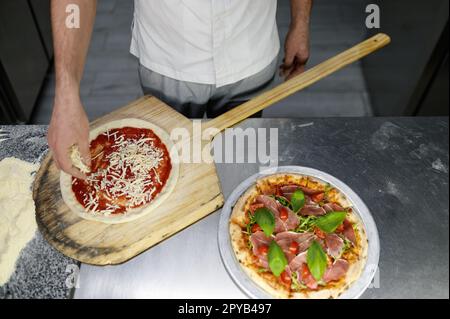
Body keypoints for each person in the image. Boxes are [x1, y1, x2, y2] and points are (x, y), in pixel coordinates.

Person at [48, 0, 312, 178]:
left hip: (251, 49)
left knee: (239, 162)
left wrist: (301, 21)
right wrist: (66, 92)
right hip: (167, 57)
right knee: (169, 166)